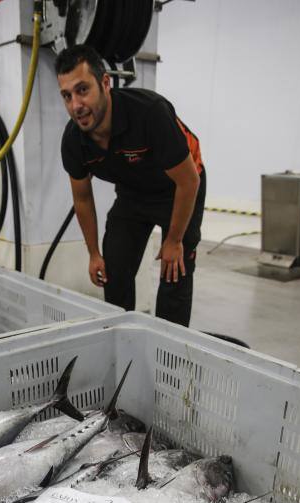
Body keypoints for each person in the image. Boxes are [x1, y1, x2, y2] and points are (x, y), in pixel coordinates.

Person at [55, 44, 206, 327]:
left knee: (175, 271)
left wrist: (174, 241)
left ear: (105, 83)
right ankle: (122, 344)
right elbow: (83, 200)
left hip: (179, 189)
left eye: (82, 90)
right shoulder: (74, 140)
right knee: (114, 270)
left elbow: (189, 181)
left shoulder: (149, 113)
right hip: (133, 192)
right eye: (67, 95)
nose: (75, 105)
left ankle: (169, 357)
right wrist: (93, 254)